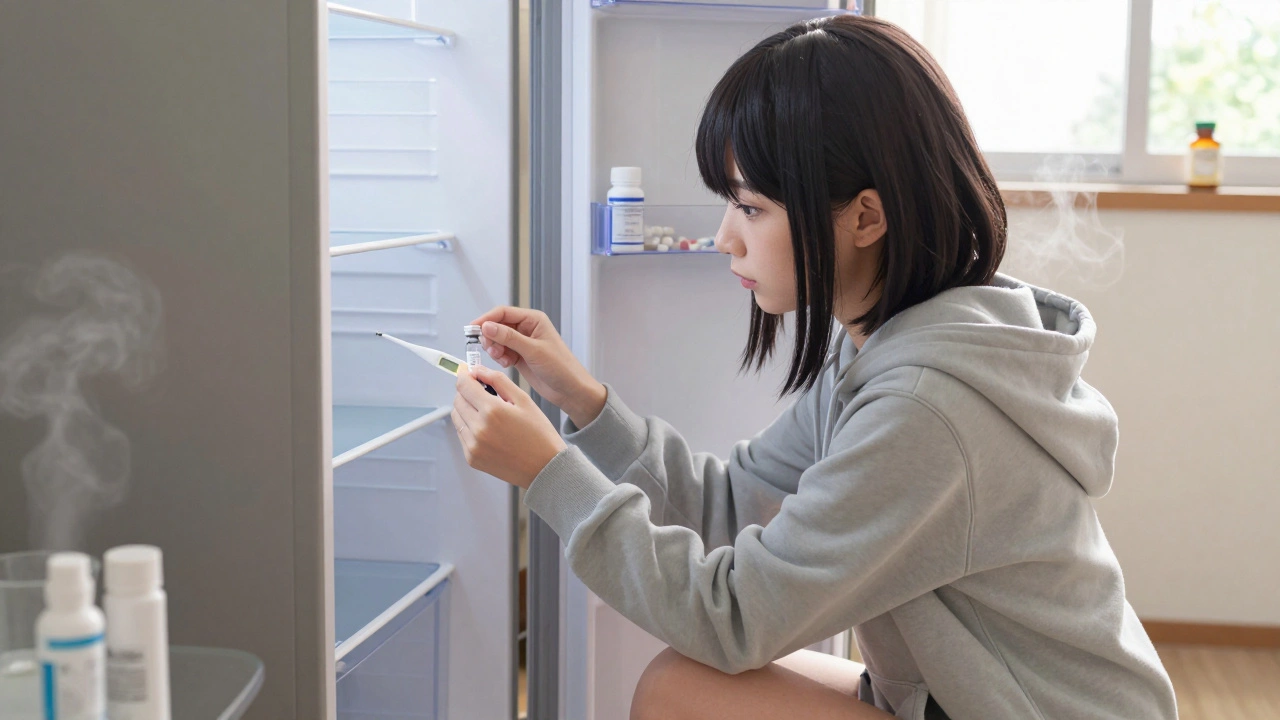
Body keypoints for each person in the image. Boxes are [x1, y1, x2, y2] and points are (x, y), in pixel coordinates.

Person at [448, 14, 1178, 720]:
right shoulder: (890, 345)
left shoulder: (926, 409)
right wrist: (582, 402)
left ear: (866, 217)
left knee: (682, 693)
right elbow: (737, 505)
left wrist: (548, 475)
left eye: (752, 208)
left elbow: (730, 618)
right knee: (685, 683)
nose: (725, 238)